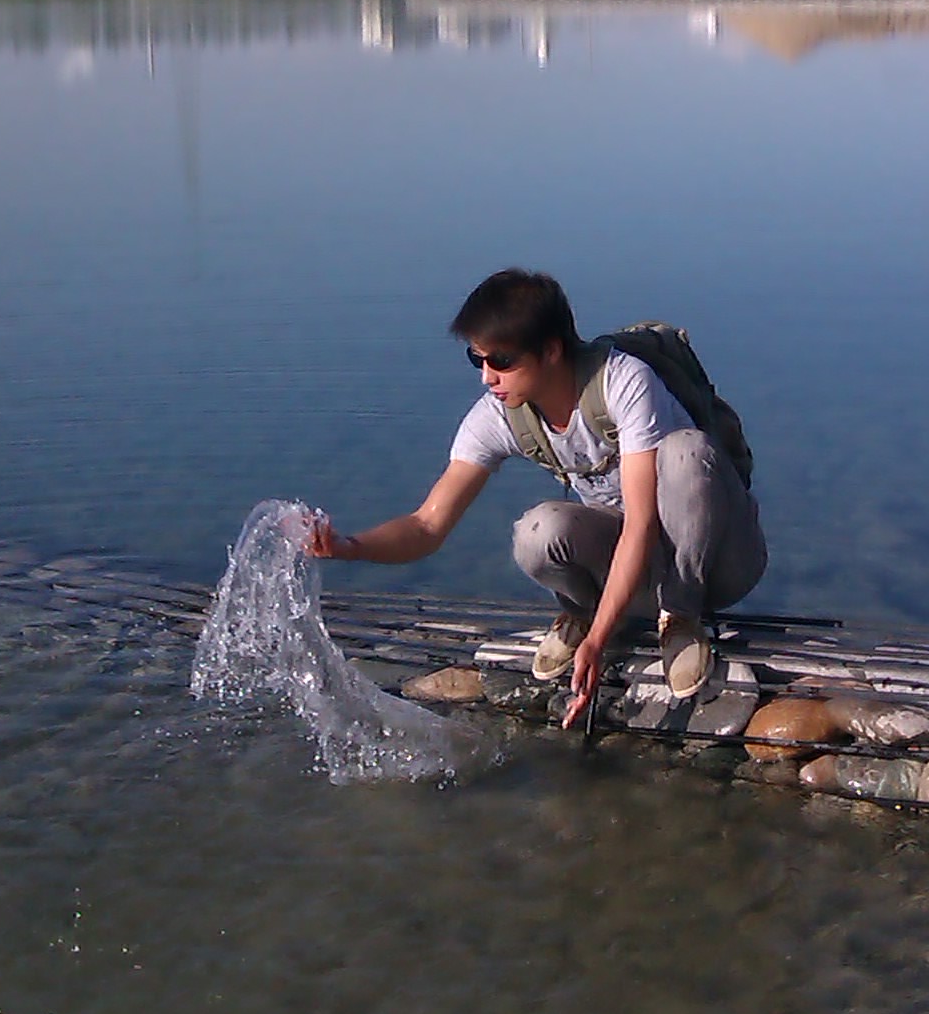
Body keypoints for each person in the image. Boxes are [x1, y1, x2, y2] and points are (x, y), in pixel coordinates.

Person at [305, 269, 767, 726]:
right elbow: (427, 525)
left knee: (687, 452)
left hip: (720, 562)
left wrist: (600, 643)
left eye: (501, 361)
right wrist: (349, 546)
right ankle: (581, 612)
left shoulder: (624, 382)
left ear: (550, 350)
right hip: (635, 568)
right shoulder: (499, 415)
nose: (488, 377)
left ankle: (681, 619)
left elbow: (642, 523)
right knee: (537, 530)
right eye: (477, 359)